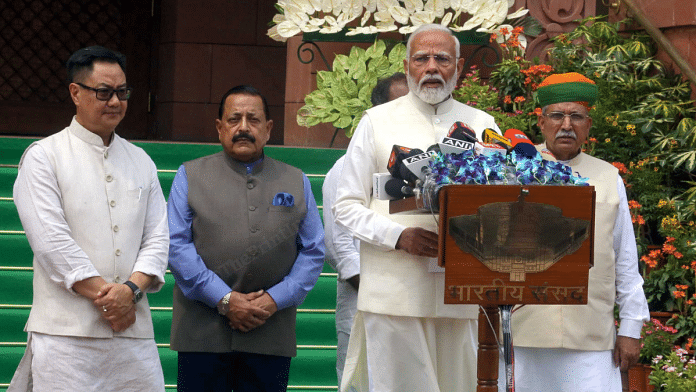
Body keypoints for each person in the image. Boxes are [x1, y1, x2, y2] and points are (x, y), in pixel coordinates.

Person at [332, 24, 501, 392]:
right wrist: (398, 237)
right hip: (395, 294)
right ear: (408, 66)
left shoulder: (483, 125)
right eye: (422, 58)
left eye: (442, 59)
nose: (431, 67)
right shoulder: (376, 121)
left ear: (458, 67)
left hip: (462, 297)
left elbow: (501, 200)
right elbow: (345, 205)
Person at [9, 46, 169, 391]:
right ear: (75, 93)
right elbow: (51, 243)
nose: (115, 102)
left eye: (122, 92)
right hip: (65, 336)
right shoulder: (44, 157)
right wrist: (113, 299)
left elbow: (157, 239)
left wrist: (130, 292)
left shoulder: (142, 161)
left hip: (133, 332)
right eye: (103, 92)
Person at [167, 85, 325, 391]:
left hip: (270, 329)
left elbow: (314, 250)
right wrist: (224, 299)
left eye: (253, 120)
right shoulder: (190, 175)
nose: (243, 128)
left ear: (267, 129)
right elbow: (176, 245)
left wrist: (272, 301)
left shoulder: (295, 179)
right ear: (219, 128)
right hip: (202, 332)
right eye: (234, 119)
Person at [502, 72, 650, 392]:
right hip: (527, 332)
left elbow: (625, 257)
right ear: (540, 122)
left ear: (588, 126)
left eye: (576, 117)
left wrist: (631, 326)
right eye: (557, 115)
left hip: (591, 335)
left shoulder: (608, 176)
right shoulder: (511, 170)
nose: (566, 125)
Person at [323, 72, 409, 387]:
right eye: (400, 105)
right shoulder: (346, 168)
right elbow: (340, 248)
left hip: (416, 301)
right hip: (364, 302)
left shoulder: (433, 169)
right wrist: (383, 289)